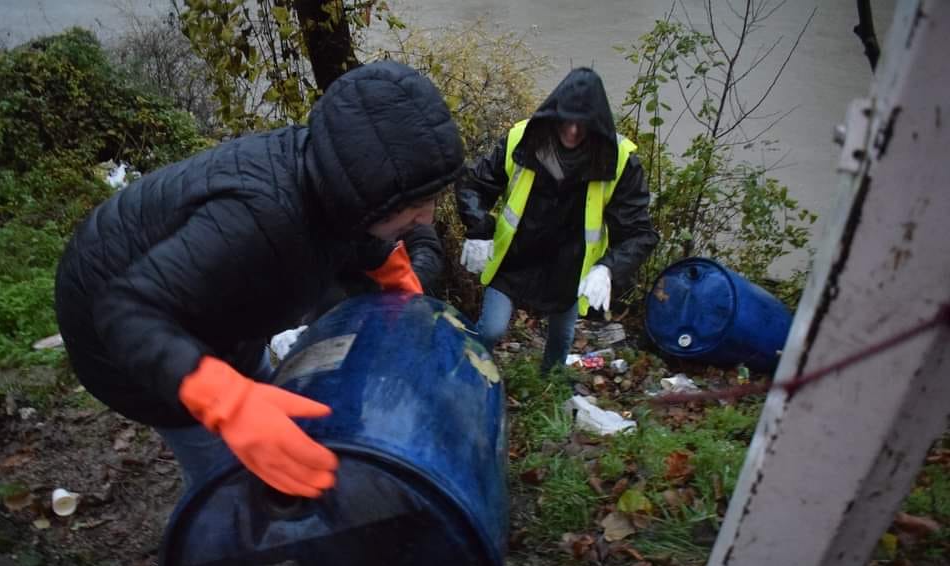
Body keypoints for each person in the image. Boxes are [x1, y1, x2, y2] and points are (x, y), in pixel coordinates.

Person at [54, 61, 464, 500]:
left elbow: (357, 231)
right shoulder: (258, 219)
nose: (427, 218)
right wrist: (228, 403)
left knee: (270, 405)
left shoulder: (336, 181)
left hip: (214, 313)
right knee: (224, 471)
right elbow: (126, 313)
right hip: (121, 332)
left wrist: (396, 279)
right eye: (419, 205)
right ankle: (206, 546)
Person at [456, 67, 659, 371]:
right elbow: (474, 184)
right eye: (567, 121)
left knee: (560, 340)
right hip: (515, 259)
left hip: (569, 267)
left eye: (584, 124)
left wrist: (607, 268)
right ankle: (466, 373)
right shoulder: (521, 140)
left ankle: (549, 387)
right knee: (491, 330)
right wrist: (479, 229)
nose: (573, 132)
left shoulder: (618, 161)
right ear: (554, 115)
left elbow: (639, 232)